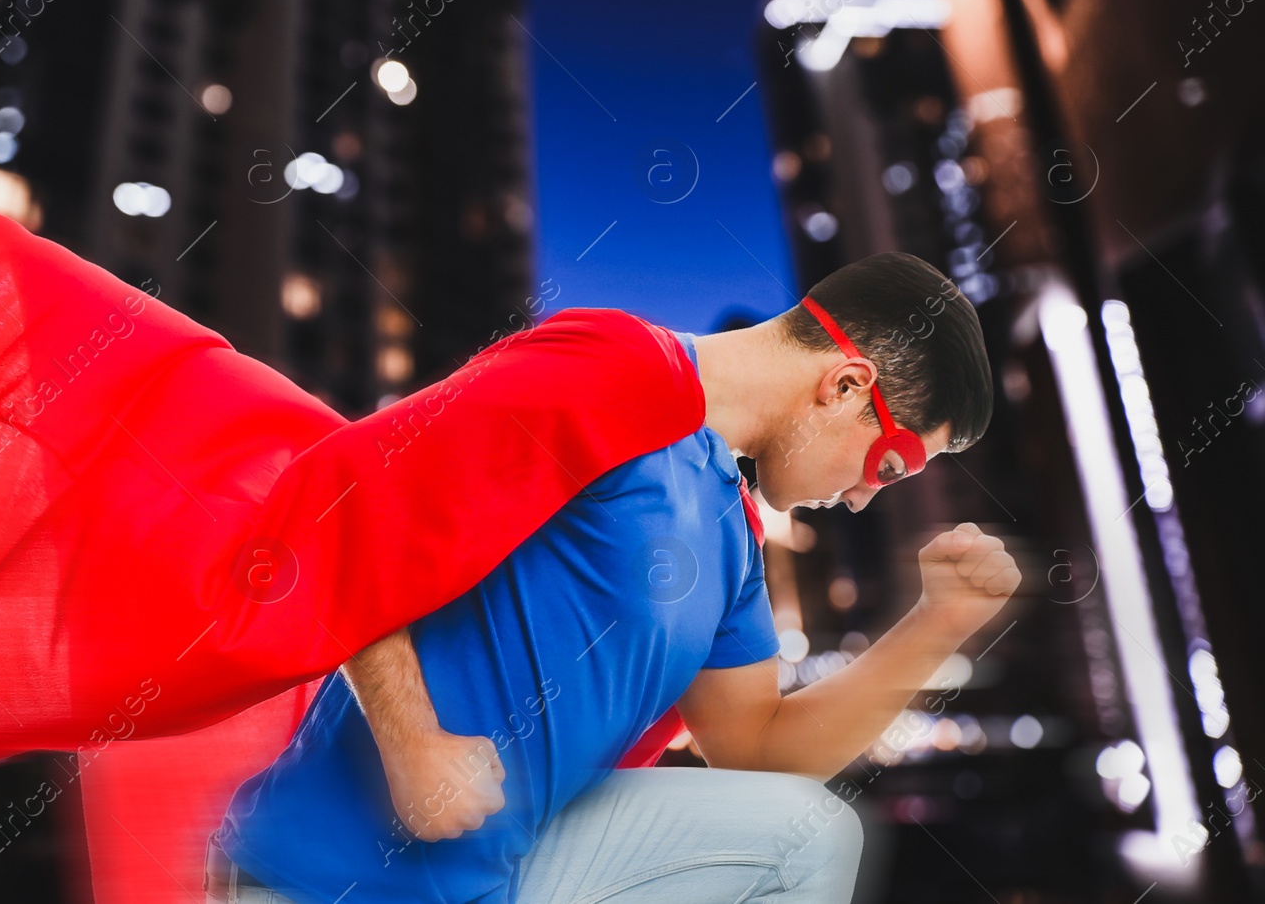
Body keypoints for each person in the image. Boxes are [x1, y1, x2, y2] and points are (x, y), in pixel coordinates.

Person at [207, 253, 1021, 904]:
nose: (861, 495)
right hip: (320, 878)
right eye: (889, 462)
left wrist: (937, 624)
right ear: (846, 385)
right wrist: (410, 736)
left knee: (810, 835)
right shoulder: (622, 368)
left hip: (499, 877)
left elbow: (760, 750)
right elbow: (345, 494)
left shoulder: (733, 536)